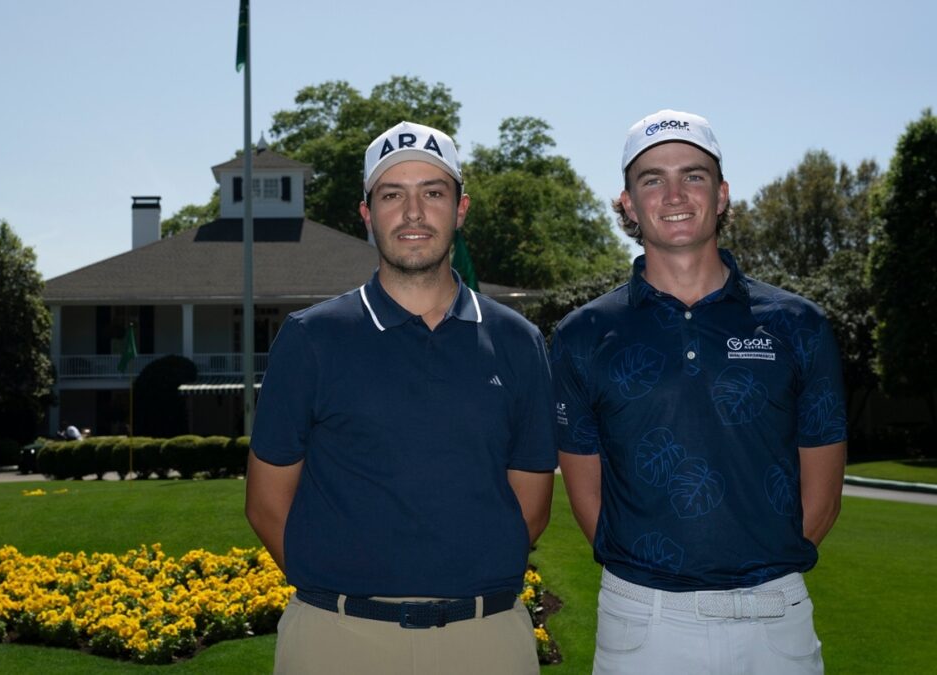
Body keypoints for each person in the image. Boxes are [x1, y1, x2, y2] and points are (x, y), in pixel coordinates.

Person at [246, 121, 556, 675]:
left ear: (460, 209)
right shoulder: (311, 338)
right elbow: (267, 504)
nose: (413, 212)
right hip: (337, 640)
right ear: (367, 215)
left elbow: (530, 509)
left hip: (485, 641)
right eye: (393, 194)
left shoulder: (517, 341)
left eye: (433, 192)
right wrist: (343, 591)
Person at [552, 109, 847, 675]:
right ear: (628, 204)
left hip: (775, 619)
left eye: (693, 175)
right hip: (642, 623)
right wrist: (659, 588)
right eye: (652, 179)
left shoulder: (797, 325)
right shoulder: (583, 335)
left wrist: (753, 581)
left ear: (722, 193)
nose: (674, 193)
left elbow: (824, 493)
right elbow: (587, 497)